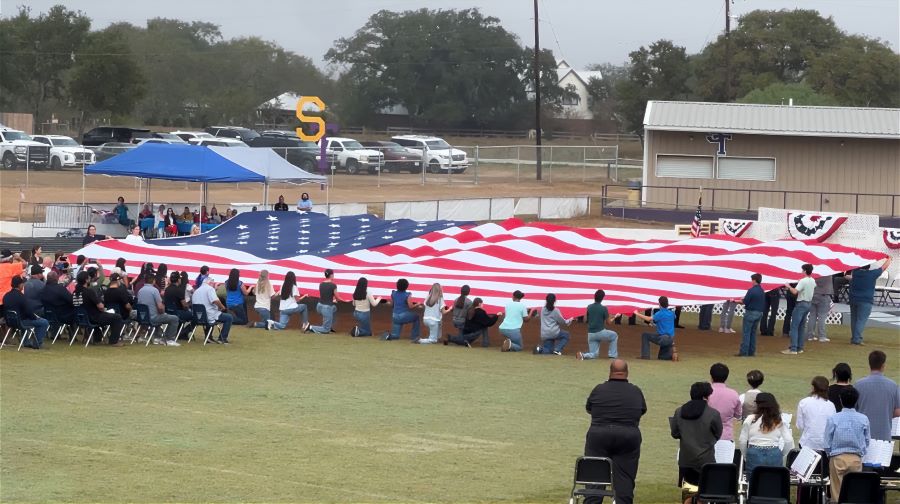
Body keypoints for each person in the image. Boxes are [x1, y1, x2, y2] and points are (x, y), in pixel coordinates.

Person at [584, 359, 646, 504]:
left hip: (599, 434)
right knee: (624, 477)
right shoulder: (635, 391)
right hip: (628, 435)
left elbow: (589, 409)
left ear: (610, 372)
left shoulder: (599, 389)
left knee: (594, 475)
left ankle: (593, 500)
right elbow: (642, 410)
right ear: (627, 373)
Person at [670, 382, 723, 486]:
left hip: (686, 460)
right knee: (704, 492)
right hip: (706, 460)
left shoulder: (679, 411)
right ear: (705, 397)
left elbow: (675, 433)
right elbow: (718, 434)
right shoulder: (713, 414)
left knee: (687, 493)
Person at [823, 386, 870, 501]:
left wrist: (830, 454)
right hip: (855, 458)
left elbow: (827, 441)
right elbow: (867, 440)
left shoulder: (834, 418)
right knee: (853, 492)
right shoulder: (863, 418)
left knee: (837, 492)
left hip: (837, 457)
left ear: (840, 400)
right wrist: (861, 452)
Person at [738, 392, 794, 474]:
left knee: (754, 482)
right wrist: (782, 454)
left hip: (754, 452)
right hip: (773, 452)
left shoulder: (750, 419)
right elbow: (789, 441)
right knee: (774, 480)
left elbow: (742, 441)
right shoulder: (778, 419)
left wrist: (746, 455)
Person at [854, 350, 900, 442]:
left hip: (862, 435)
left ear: (870, 364)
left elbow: (853, 409)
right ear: (883, 365)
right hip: (884, 435)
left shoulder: (858, 385)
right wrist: (885, 413)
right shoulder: (893, 385)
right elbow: (898, 411)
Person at [845, 257, 893, 345]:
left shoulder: (855, 273)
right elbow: (883, 267)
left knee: (854, 319)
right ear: (868, 267)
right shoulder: (871, 274)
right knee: (861, 320)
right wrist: (889, 259)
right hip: (865, 300)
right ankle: (857, 339)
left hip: (853, 299)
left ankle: (854, 338)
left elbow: (847, 273)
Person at [73, 270, 124, 346]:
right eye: (89, 278)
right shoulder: (89, 291)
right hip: (94, 317)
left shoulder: (75, 292)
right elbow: (100, 306)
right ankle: (114, 341)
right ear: (86, 280)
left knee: (102, 316)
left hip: (82, 318)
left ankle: (98, 339)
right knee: (117, 317)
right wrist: (103, 309)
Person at [2, 275, 49, 349]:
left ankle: (26, 342)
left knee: (25, 319)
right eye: (22, 284)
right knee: (44, 322)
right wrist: (35, 317)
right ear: (20, 285)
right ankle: (37, 343)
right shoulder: (21, 297)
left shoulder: (6, 296)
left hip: (10, 321)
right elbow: (29, 312)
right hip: (20, 322)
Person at [136, 272, 180, 346]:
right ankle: (169, 339)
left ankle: (157, 337)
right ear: (153, 280)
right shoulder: (154, 290)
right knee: (174, 318)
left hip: (143, 317)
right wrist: (163, 312)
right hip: (153, 317)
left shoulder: (140, 290)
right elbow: (160, 307)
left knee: (158, 314)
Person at [782, 263, 815, 355]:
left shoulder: (803, 281)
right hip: (808, 303)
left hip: (801, 304)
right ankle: (799, 347)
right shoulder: (812, 280)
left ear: (805, 271)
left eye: (802, 270)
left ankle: (793, 348)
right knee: (801, 327)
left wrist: (788, 286)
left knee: (794, 327)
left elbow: (795, 292)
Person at [796, 376, 836, 451]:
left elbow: (800, 426)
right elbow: (832, 427)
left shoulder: (804, 402)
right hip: (825, 445)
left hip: (807, 444)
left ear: (813, 388)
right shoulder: (831, 405)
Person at [578, 289, 619, 360]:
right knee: (614, 335)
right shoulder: (603, 308)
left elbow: (589, 318)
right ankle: (612, 355)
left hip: (591, 334)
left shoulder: (589, 307)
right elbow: (609, 323)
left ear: (594, 297)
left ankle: (583, 355)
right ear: (602, 298)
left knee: (594, 354)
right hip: (600, 332)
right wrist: (615, 317)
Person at [191, 276, 232, 344]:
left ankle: (209, 337)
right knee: (229, 317)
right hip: (209, 315)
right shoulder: (210, 289)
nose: (213, 285)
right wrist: (222, 307)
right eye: (213, 284)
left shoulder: (196, 291)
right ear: (210, 283)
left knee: (210, 314)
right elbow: (215, 300)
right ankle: (222, 338)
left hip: (198, 316)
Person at [634, 296, 676, 360]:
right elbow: (666, 321)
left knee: (645, 335)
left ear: (659, 304)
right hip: (671, 338)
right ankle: (671, 353)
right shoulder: (672, 313)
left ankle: (645, 356)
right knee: (661, 357)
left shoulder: (659, 313)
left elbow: (648, 319)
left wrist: (637, 314)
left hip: (663, 338)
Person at [708, 363, 742, 442]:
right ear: (726, 377)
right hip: (726, 436)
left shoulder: (705, 393)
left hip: (707, 436)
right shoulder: (733, 394)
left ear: (711, 376)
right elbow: (738, 415)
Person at [40, 271, 76, 338]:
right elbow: (71, 300)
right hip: (61, 315)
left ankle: (55, 334)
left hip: (48, 314)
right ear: (56, 278)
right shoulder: (60, 289)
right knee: (75, 311)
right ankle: (73, 336)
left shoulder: (43, 289)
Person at [737, 273, 765, 356]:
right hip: (759, 313)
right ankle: (751, 351)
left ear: (754, 280)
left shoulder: (751, 290)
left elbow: (745, 302)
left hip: (751, 313)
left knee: (746, 333)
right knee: (753, 333)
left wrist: (735, 301)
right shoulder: (761, 290)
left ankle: (744, 352)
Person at [309, 269, 344, 334]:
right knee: (326, 330)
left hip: (319, 306)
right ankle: (310, 327)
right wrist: (345, 300)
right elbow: (337, 298)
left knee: (334, 308)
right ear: (331, 275)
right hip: (327, 308)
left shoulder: (321, 284)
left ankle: (329, 326)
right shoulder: (333, 285)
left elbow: (325, 294)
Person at [163, 271, 193, 337]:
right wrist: (189, 306)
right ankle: (183, 333)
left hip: (168, 311)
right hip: (177, 313)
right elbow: (185, 306)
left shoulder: (167, 289)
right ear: (178, 280)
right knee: (195, 316)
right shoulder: (179, 290)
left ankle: (179, 332)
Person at [806, 274, 834, 343]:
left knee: (812, 316)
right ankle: (822, 336)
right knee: (822, 317)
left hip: (813, 294)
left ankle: (810, 336)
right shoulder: (828, 274)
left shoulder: (814, 273)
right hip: (824, 295)